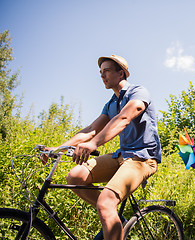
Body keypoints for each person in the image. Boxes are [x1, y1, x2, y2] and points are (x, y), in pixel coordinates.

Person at [47, 55, 161, 240]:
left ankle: (108, 210)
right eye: (100, 72)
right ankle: (116, 219)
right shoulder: (111, 104)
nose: (102, 75)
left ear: (121, 73)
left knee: (106, 203)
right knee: (75, 176)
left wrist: (93, 144)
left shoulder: (138, 92)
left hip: (142, 158)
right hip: (121, 157)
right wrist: (57, 148)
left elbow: (124, 118)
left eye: (106, 71)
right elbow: (91, 129)